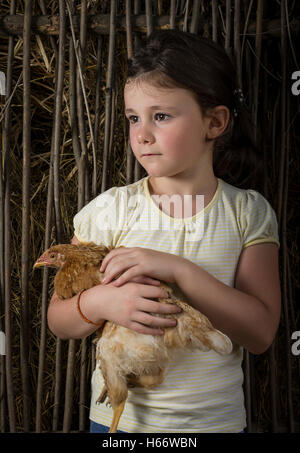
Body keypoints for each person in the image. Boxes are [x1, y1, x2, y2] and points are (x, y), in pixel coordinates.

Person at [47, 29, 281, 433]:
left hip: (215, 424)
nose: (142, 134)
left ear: (215, 122)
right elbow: (58, 319)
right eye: (134, 118)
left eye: (161, 116)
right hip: (120, 424)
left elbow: (260, 333)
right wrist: (101, 303)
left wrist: (180, 270)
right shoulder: (111, 210)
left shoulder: (247, 212)